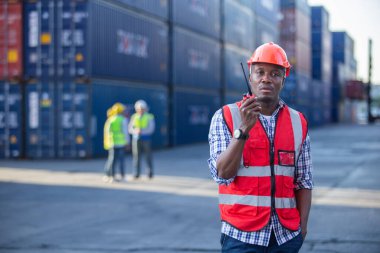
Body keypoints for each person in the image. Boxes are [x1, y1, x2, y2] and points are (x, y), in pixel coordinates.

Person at [208, 42, 313, 252]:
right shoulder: (226, 117)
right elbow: (223, 174)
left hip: (286, 237)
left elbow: (304, 181)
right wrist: (243, 129)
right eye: (260, 72)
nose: (266, 78)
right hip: (241, 236)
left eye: (275, 73)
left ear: (284, 79)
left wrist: (301, 230)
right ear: (250, 77)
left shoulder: (298, 122)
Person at [103, 102, 130, 182]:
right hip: (121, 143)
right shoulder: (123, 120)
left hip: (112, 143)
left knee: (111, 160)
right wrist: (128, 142)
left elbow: (107, 132)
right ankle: (122, 176)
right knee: (121, 160)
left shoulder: (110, 119)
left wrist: (107, 143)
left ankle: (110, 176)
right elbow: (125, 132)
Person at [128, 100, 155, 179]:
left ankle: (150, 172)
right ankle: (136, 173)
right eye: (138, 109)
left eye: (142, 108)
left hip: (146, 138)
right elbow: (130, 129)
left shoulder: (149, 116)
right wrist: (135, 131)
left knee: (148, 156)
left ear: (145, 109)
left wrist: (141, 131)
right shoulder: (134, 117)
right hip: (136, 139)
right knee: (136, 156)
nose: (140, 110)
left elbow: (151, 129)